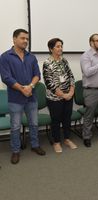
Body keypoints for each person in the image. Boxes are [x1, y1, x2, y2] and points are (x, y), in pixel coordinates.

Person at [0, 29, 46, 164]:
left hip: (31, 96)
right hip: (15, 98)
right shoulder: (5, 57)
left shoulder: (31, 57)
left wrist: (30, 87)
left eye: (27, 38)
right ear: (14, 39)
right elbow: (6, 77)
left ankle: (35, 145)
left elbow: (37, 74)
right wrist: (22, 89)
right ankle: (15, 151)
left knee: (34, 123)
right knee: (15, 126)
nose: (26, 41)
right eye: (22, 38)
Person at [43, 38, 77, 153]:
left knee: (67, 119)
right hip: (54, 98)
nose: (60, 48)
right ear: (51, 48)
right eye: (57, 46)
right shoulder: (47, 63)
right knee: (56, 120)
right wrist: (63, 95)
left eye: (61, 46)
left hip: (68, 96)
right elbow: (49, 83)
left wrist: (71, 91)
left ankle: (67, 139)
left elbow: (71, 76)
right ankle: (56, 142)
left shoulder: (64, 61)